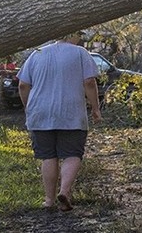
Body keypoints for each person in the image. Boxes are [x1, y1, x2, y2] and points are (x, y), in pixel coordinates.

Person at [16, 31, 102, 211]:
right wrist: (95, 108)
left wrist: (28, 106)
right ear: (74, 34)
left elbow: (23, 85)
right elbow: (89, 82)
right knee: (72, 153)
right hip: (70, 112)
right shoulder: (80, 53)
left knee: (48, 156)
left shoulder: (37, 53)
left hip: (40, 113)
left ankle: (49, 200)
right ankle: (64, 191)